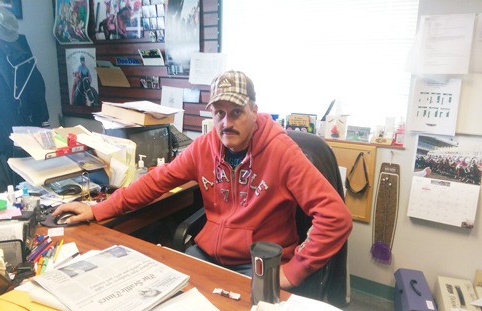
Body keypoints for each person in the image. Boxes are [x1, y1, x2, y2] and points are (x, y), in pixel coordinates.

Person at [53, 70, 352, 290]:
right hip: (207, 255)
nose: (227, 122)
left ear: (255, 111)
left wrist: (295, 271)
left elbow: (335, 218)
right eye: (219, 113)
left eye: (237, 112)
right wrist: (98, 209)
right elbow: (156, 181)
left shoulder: (282, 151)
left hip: (258, 266)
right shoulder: (204, 148)